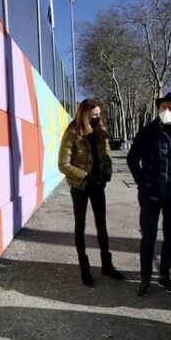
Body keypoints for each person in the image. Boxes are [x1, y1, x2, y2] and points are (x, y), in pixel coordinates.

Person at [127, 92, 171, 296]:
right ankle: (145, 278)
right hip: (151, 195)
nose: (166, 111)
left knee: (170, 238)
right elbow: (132, 159)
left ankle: (165, 276)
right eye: (162, 107)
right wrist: (142, 182)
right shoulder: (148, 131)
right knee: (148, 237)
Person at [58, 99, 124, 287]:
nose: (97, 118)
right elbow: (63, 164)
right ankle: (84, 269)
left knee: (101, 225)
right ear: (85, 115)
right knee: (81, 226)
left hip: (98, 185)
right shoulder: (72, 133)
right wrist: (86, 176)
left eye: (98, 115)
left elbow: (107, 156)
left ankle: (106, 265)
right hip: (80, 186)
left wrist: (107, 174)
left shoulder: (101, 132)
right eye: (94, 115)